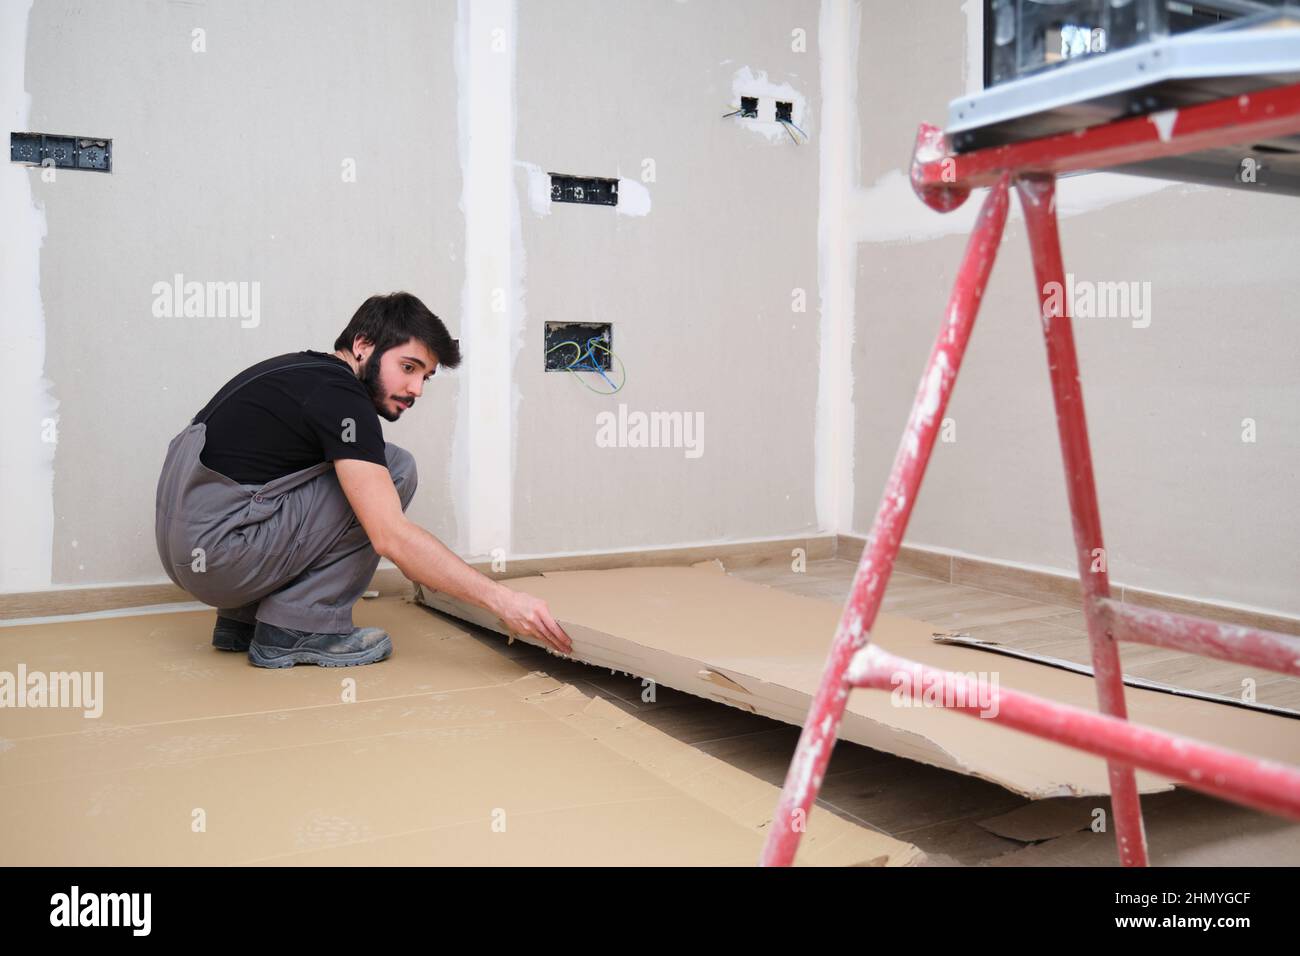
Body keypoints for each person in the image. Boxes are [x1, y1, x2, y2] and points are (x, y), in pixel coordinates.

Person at [154, 291, 572, 668]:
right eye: (407, 367)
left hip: (196, 553)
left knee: (359, 468)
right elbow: (389, 536)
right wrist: (504, 601)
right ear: (363, 345)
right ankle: (298, 627)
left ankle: (243, 618)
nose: (416, 389)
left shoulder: (301, 374)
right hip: (223, 555)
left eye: (424, 376)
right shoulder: (342, 398)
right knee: (395, 469)